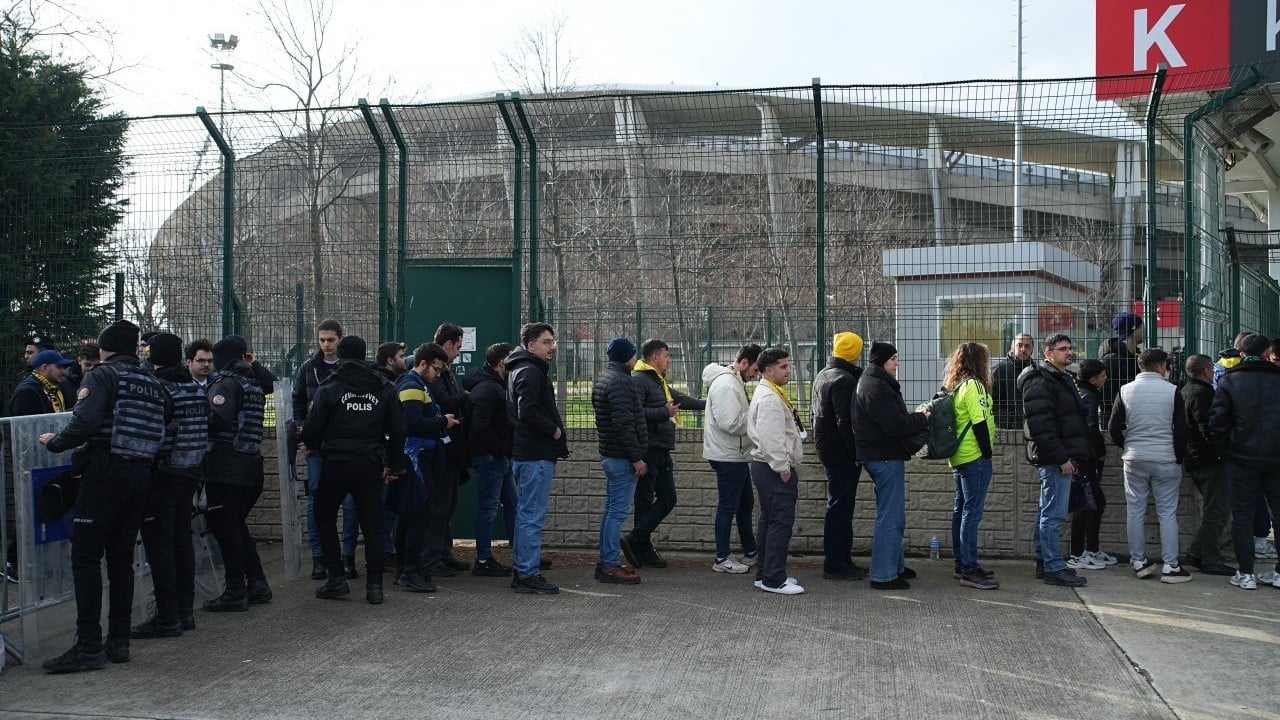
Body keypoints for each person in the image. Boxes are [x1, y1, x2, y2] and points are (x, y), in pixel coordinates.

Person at [38, 320, 168, 673]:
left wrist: (55, 443)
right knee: (121, 558)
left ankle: (88, 645)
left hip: (105, 471)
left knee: (85, 556)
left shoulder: (102, 375)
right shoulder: (152, 382)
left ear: (104, 348)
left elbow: (84, 423)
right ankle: (119, 641)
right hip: (140, 472)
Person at [301, 336, 406, 605]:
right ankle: (375, 586)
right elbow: (397, 430)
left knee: (324, 516)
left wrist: (312, 444)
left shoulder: (331, 386)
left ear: (342, 354)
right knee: (373, 524)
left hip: (336, 463)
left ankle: (337, 578)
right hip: (370, 462)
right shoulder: (383, 387)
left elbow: (312, 426)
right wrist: (394, 465)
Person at [131, 333, 207, 638]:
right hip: (190, 471)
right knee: (180, 540)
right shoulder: (193, 387)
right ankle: (184, 611)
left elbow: (152, 431)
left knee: (160, 545)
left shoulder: (158, 388)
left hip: (163, 474)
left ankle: (167, 615)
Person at [201, 336, 271, 612]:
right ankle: (257, 583)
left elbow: (219, 419)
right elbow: (270, 382)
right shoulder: (252, 384)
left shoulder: (225, 383)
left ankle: (235, 590)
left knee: (226, 529)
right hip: (249, 463)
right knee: (237, 527)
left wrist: (193, 421)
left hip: (226, 464)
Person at [1108, 348, 1190, 583]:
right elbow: (1181, 429)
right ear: (1160, 366)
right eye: (1166, 365)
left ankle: (1138, 561)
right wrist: (1178, 456)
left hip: (1134, 458)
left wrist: (1127, 446)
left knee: (1135, 511)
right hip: (1165, 458)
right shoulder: (1173, 391)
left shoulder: (1125, 390)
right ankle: (1171, 567)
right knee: (1167, 513)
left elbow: (1114, 427)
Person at [624, 339, 705, 569]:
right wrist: (664, 411)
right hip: (648, 449)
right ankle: (640, 545)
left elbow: (680, 399)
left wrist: (710, 403)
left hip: (661, 448)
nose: (669, 359)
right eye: (667, 355)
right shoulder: (640, 380)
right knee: (645, 500)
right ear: (656, 357)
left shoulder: (657, 381)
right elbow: (636, 412)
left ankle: (637, 539)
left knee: (667, 498)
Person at [855, 342, 929, 591]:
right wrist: (922, 418)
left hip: (880, 454)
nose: (897, 363)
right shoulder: (877, 386)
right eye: (894, 359)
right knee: (891, 517)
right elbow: (895, 425)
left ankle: (895, 566)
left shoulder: (872, 382)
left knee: (892, 513)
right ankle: (884, 575)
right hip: (884, 456)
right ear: (883, 361)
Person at [1019, 333, 1091, 588]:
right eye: (1063, 349)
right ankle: (1052, 566)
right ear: (1049, 353)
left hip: (1059, 455)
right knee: (1053, 514)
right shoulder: (1041, 381)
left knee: (1047, 511)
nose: (1069, 353)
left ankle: (1046, 561)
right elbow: (1042, 426)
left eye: (1070, 348)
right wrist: (1062, 458)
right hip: (1054, 458)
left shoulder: (1060, 378)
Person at [1209, 333, 1280, 590]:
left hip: (1241, 457)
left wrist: (1224, 448)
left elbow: (1217, 421)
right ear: (1267, 352)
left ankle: (1246, 573)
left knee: (1242, 514)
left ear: (1241, 354)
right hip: (1276, 457)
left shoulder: (1230, 380)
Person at [292, 319, 360, 582]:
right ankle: (319, 559)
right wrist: (302, 432)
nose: (326, 345)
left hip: (344, 444)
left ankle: (347, 557)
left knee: (350, 503)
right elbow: (298, 403)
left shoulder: (349, 369)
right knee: (316, 500)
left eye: (330, 340)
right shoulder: (309, 368)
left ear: (340, 339)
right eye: (322, 340)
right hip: (318, 445)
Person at [506, 322, 569, 595]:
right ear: (531, 345)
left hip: (527, 453)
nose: (552, 346)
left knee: (525, 515)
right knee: (531, 516)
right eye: (546, 341)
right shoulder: (530, 371)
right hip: (535, 455)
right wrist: (553, 430)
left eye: (552, 341)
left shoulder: (520, 369)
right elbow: (527, 410)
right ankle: (527, 573)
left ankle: (523, 570)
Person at [394, 343, 459, 593]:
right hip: (416, 458)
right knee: (417, 516)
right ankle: (411, 569)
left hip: (422, 457)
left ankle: (406, 568)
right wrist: (443, 421)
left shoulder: (420, 385)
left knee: (411, 516)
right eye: (436, 369)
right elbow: (412, 423)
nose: (438, 374)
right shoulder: (411, 386)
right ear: (422, 364)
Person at [747, 347, 805, 595]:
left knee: (770, 522)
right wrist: (782, 467)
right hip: (773, 469)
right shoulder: (770, 398)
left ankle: (766, 573)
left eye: (788, 365)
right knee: (779, 524)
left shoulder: (771, 392)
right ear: (768, 370)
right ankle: (773, 578)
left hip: (767, 468)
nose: (788, 370)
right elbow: (772, 437)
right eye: (783, 366)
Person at [590, 338, 647, 585]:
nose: (636, 359)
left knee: (611, 511)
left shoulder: (605, 379)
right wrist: (636, 457)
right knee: (616, 513)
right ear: (627, 357)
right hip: (622, 457)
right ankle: (610, 564)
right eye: (634, 354)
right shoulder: (622, 382)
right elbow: (624, 424)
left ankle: (607, 560)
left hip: (610, 454)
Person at [702, 343, 762, 575]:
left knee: (744, 504)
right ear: (744, 363)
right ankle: (722, 557)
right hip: (728, 455)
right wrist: (756, 416)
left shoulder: (732, 381)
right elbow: (731, 423)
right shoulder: (727, 385)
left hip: (733, 454)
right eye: (755, 370)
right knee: (728, 506)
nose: (755, 375)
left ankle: (750, 551)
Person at [943, 342, 998, 590]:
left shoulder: (955, 385)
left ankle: (962, 563)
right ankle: (968, 568)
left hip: (960, 456)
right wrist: (986, 454)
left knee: (961, 511)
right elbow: (979, 423)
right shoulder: (974, 386)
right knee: (971, 514)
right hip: (974, 457)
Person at [810, 332, 865, 581]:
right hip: (841, 453)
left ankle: (841, 560)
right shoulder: (844, 380)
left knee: (839, 506)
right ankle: (836, 563)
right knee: (841, 509)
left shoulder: (824, 374)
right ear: (855, 353)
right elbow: (846, 422)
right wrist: (855, 453)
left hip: (828, 449)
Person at [464, 342, 518, 578]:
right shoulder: (487, 389)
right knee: (489, 508)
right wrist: (499, 450)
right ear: (501, 363)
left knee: (512, 505)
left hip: (497, 456)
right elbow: (481, 427)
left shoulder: (493, 385)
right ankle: (483, 559)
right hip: (490, 456)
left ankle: (522, 553)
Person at [1181, 353, 1236, 576]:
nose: (1213, 373)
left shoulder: (1185, 391)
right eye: (1211, 370)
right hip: (1208, 460)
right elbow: (1209, 428)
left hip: (1195, 458)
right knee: (1217, 512)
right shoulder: (1203, 394)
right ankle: (1210, 559)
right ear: (1205, 371)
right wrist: (1223, 452)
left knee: (1215, 509)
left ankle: (1196, 553)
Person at [424, 323, 471, 575]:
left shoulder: (446, 371)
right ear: (449, 344)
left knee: (449, 504)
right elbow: (445, 402)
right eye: (458, 348)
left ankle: (444, 553)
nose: (458, 353)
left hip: (451, 449)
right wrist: (467, 396)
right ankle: (433, 558)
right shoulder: (435, 373)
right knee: (440, 506)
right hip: (440, 447)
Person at [1067, 360, 1117, 571]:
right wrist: (1100, 452)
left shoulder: (1084, 393)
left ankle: (1091, 550)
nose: (1106, 379)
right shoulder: (1088, 396)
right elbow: (1091, 429)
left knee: (1094, 502)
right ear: (1092, 379)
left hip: (1084, 455)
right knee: (1087, 503)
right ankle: (1078, 553)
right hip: (1085, 457)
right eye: (1103, 375)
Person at [1100, 311, 1142, 416]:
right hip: (1115, 419)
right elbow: (1106, 394)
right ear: (1133, 330)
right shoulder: (1110, 360)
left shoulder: (1136, 356)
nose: (1143, 331)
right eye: (1140, 327)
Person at [9, 349, 74, 416]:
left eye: (64, 368)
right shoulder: (28, 392)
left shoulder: (50, 388)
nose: (63, 372)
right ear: (44, 368)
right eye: (58, 367)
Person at [991, 333, 1034, 430]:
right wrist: (1010, 422)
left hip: (1033, 427)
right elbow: (991, 402)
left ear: (1032, 350)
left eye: (1027, 346)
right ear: (1012, 348)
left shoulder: (1036, 371)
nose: (1023, 349)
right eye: (1019, 345)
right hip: (1007, 429)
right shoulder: (999, 370)